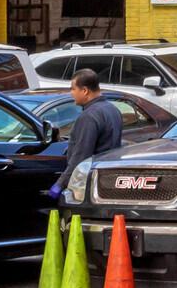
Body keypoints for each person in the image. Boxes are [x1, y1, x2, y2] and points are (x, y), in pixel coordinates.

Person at [47, 68, 123, 200]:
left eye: (73, 89)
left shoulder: (89, 116)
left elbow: (81, 155)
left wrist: (60, 184)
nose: (71, 93)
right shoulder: (113, 110)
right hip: (108, 178)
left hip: (89, 182)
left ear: (85, 90)